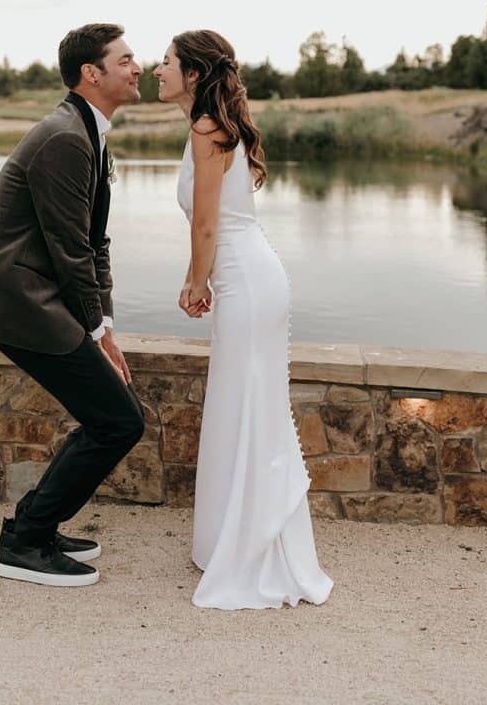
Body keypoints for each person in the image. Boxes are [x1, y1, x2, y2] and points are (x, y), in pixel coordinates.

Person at [0, 23, 145, 587]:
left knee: (109, 416)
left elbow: (95, 242)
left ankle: (31, 529)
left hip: (40, 298)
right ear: (94, 73)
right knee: (119, 420)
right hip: (20, 302)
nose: (138, 67)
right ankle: (26, 541)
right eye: (127, 59)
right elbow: (69, 250)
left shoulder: (88, 131)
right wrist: (92, 329)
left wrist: (105, 325)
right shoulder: (65, 136)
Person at [154, 31, 333, 610]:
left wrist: (194, 281)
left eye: (168, 62)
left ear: (195, 75)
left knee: (249, 407)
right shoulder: (205, 126)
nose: (158, 69)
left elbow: (206, 224)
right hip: (246, 278)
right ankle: (229, 540)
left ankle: (254, 549)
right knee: (240, 407)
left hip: (244, 280)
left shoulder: (208, 129)